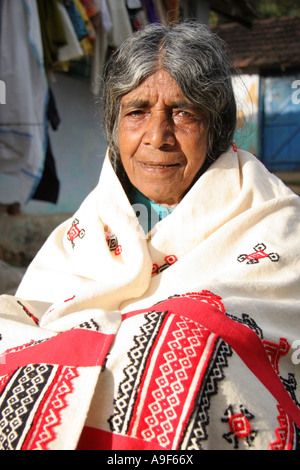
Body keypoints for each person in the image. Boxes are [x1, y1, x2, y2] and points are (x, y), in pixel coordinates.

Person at [0, 21, 300, 451]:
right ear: (115, 124)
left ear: (215, 127)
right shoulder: (83, 234)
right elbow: (32, 318)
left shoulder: (274, 223)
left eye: (183, 113)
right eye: (137, 111)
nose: (157, 137)